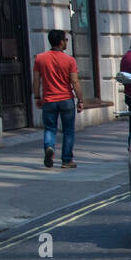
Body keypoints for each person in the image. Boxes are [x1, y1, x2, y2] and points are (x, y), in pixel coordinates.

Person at [32, 29, 84, 169]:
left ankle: (49, 148)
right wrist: (80, 99)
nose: (66, 42)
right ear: (61, 42)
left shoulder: (40, 58)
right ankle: (66, 160)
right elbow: (75, 82)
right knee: (68, 131)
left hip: (48, 100)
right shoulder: (70, 60)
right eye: (66, 40)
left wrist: (37, 96)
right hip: (66, 99)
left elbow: (36, 80)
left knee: (49, 129)